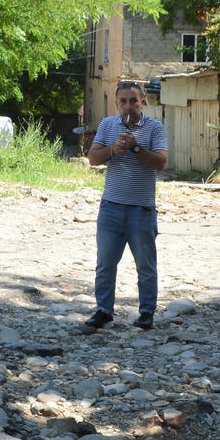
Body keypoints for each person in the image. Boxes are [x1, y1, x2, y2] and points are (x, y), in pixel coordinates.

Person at [82, 79, 169, 332]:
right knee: (105, 263)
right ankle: (103, 311)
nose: (129, 105)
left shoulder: (155, 128)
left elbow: (161, 162)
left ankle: (146, 313)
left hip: (141, 210)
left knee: (145, 265)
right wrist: (113, 150)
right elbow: (92, 158)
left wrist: (136, 147)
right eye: (123, 101)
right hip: (110, 207)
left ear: (143, 101)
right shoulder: (108, 125)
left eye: (133, 100)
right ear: (117, 103)